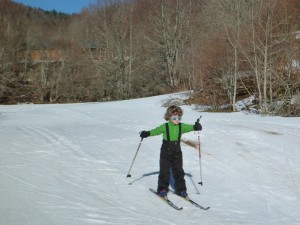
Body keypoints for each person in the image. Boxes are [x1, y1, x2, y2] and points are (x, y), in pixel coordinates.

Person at [140, 105, 202, 198]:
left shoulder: (182, 126)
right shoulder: (165, 126)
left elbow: (191, 127)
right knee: (164, 171)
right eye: (174, 117)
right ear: (169, 117)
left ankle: (181, 190)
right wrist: (147, 133)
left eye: (179, 117)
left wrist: (196, 126)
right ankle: (162, 189)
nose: (177, 119)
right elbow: (155, 131)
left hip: (177, 152)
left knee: (179, 171)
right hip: (165, 151)